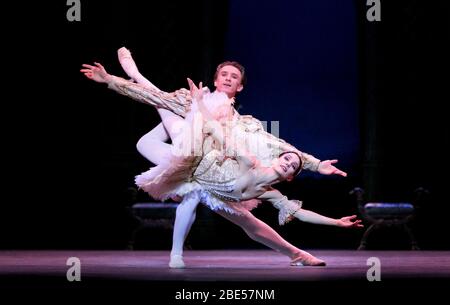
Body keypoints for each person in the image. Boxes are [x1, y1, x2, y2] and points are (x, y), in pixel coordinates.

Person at [81, 57, 361, 268]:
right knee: (169, 117)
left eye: (234, 76)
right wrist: (112, 81)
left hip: (220, 175)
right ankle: (176, 255)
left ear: (239, 86)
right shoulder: (195, 99)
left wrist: (315, 164)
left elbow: (282, 147)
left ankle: (297, 253)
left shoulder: (244, 126)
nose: (228, 78)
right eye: (223, 74)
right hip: (194, 156)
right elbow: (156, 96)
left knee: (250, 223)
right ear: (216, 80)